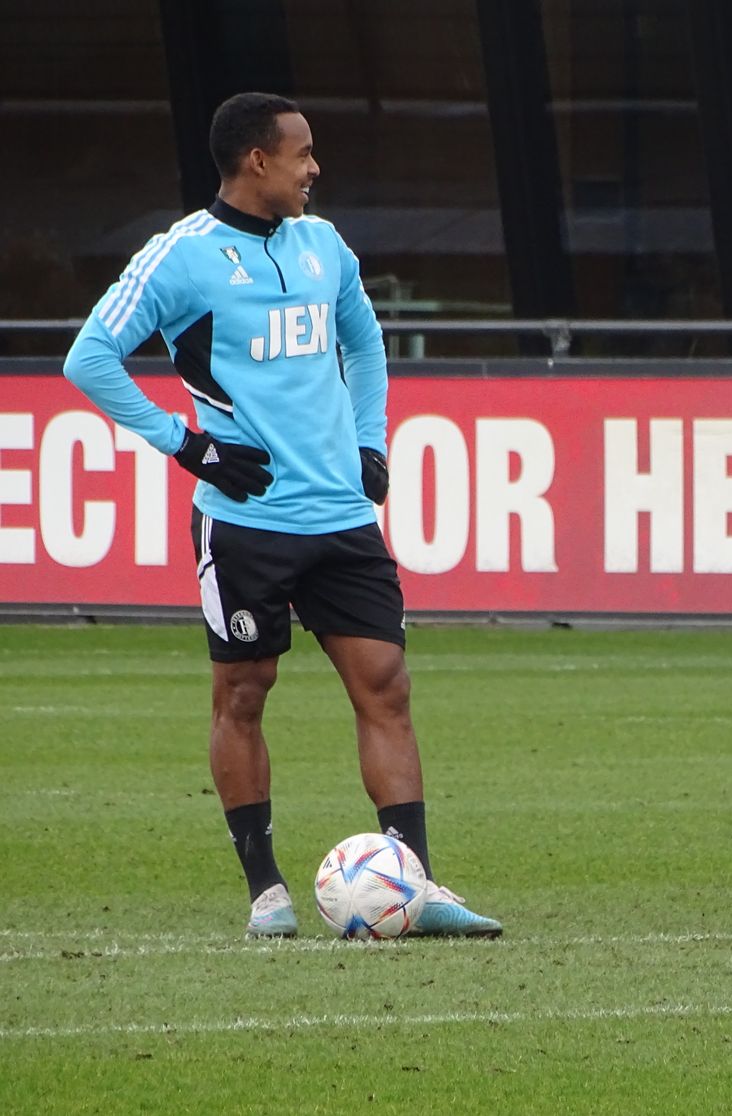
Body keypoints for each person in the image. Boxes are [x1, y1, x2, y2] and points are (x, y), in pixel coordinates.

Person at [63, 92, 501, 939]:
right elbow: (91, 356)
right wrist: (187, 447)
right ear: (256, 161)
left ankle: (413, 883)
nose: (315, 168)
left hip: (340, 514)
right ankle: (266, 889)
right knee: (243, 693)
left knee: (388, 689)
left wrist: (371, 444)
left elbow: (365, 343)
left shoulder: (323, 245)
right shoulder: (180, 258)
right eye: (302, 154)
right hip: (246, 520)